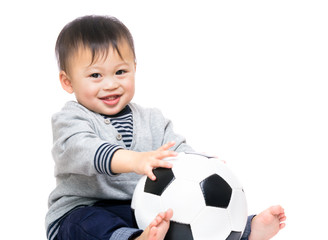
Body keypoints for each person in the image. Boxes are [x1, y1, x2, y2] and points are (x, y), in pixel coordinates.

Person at [45, 15, 286, 240]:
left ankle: (245, 230)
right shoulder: (71, 119)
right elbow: (83, 149)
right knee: (89, 223)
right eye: (95, 75)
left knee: (177, 216)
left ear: (134, 69)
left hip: (139, 208)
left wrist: (199, 162)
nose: (110, 84)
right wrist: (134, 160)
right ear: (68, 82)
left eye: (120, 72)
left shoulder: (152, 119)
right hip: (82, 210)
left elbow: (177, 150)